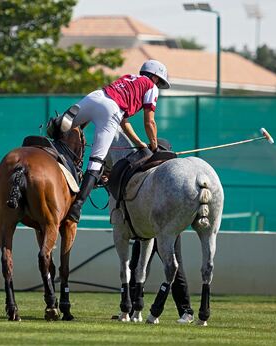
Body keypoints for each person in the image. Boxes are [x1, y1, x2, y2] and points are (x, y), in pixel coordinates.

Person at [62, 60, 171, 223]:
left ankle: (59, 122)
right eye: (159, 80)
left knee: (61, 130)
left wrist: (138, 141)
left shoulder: (128, 78)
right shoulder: (151, 87)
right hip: (111, 111)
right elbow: (150, 122)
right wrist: (154, 145)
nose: (158, 84)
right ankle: (77, 206)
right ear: (155, 77)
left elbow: (123, 121)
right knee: (96, 162)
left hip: (96, 96)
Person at [129, 235, 194, 323]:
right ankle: (131, 310)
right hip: (147, 231)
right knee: (136, 268)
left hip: (167, 232)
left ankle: (186, 312)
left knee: (176, 271)